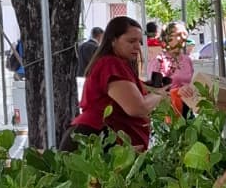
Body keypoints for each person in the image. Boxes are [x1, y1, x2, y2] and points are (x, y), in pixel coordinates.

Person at [62, 16, 165, 152]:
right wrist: (160, 94)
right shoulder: (110, 63)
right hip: (94, 137)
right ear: (113, 40)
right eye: (131, 41)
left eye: (139, 42)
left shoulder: (119, 64)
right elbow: (137, 107)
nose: (137, 46)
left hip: (104, 139)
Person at [166, 29, 196, 117]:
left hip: (188, 106)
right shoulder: (159, 61)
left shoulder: (187, 60)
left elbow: (189, 82)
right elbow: (155, 91)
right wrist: (176, 91)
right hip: (170, 110)